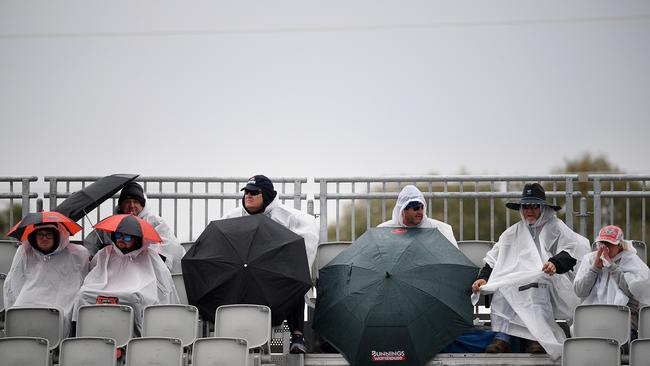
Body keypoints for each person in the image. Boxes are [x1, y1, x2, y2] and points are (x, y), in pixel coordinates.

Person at [470, 183, 590, 358]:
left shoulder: (556, 227)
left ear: (542, 207)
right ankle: (502, 337)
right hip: (518, 280)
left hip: (550, 279)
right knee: (505, 287)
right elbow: (495, 258)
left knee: (535, 287)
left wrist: (555, 263)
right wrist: (484, 278)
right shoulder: (511, 233)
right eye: (526, 206)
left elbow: (575, 249)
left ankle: (537, 338)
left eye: (534, 205)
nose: (529, 210)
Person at [221, 175, 319, 354]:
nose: (248, 196)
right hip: (246, 278)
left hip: (276, 281)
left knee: (294, 279)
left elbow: (302, 253)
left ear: (265, 195)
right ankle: (240, 337)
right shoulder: (231, 218)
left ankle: (297, 336)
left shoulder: (289, 218)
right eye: (246, 192)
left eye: (253, 192)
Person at [74, 224, 179, 336]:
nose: (121, 239)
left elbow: (163, 286)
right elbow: (94, 275)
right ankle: (85, 335)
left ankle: (136, 338)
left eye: (127, 237)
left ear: (137, 239)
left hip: (136, 294)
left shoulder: (150, 256)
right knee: (83, 295)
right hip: (102, 290)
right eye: (118, 235)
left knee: (134, 298)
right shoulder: (105, 253)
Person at [3, 223, 89, 337]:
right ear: (34, 237)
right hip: (29, 297)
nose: (44, 238)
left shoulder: (76, 253)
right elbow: (14, 281)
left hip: (60, 301)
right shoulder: (25, 250)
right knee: (20, 312)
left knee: (60, 315)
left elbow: (76, 282)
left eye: (49, 235)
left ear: (56, 236)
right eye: (40, 235)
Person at [83, 182, 185, 271]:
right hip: (114, 273)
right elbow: (90, 244)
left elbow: (170, 251)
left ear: (142, 204)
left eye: (135, 202)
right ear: (121, 205)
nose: (131, 205)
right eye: (127, 202)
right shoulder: (111, 223)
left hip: (146, 272)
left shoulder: (156, 222)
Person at [574, 225, 650, 340]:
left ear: (619, 245)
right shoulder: (589, 259)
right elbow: (580, 291)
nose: (604, 248)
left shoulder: (631, 260)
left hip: (624, 321)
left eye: (609, 244)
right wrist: (595, 269)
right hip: (593, 320)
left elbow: (634, 291)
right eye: (601, 243)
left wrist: (612, 267)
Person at [378, 185, 458, 247]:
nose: (420, 211)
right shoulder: (383, 231)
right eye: (415, 208)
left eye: (422, 207)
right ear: (403, 210)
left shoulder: (440, 229)